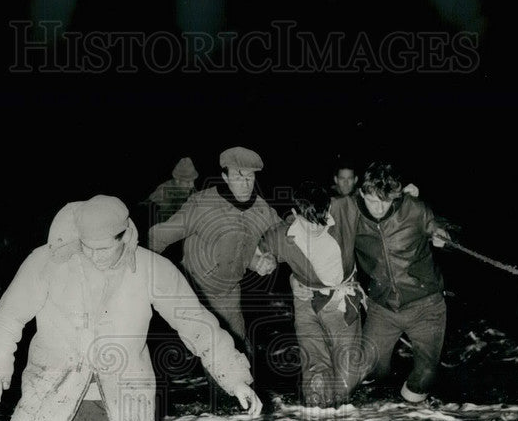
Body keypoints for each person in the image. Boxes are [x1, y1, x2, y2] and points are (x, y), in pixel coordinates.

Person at [0, 195, 262, 421]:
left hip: (118, 400)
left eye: (103, 248)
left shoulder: (152, 269)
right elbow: (6, 318)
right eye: (87, 247)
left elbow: (197, 324)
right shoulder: (46, 262)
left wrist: (236, 379)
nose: (94, 256)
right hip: (51, 393)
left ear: (124, 235)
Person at [330, 161, 454, 404]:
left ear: (395, 196)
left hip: (425, 305)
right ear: (361, 193)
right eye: (372, 201)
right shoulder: (349, 211)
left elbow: (442, 228)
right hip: (382, 307)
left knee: (426, 375)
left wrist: (444, 237)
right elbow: (312, 216)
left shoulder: (414, 209)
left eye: (385, 201)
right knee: (371, 369)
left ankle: (410, 420)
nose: (378, 208)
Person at [147, 146, 281, 351]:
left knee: (239, 350)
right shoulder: (202, 204)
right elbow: (159, 236)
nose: (245, 184)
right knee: (215, 353)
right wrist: (143, 274)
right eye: (238, 177)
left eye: (250, 178)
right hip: (195, 290)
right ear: (225, 178)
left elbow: (284, 236)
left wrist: (269, 257)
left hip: (228, 292)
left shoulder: (261, 209)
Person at [254, 182, 363, 407]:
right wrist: (264, 261)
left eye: (321, 219)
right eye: (308, 222)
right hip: (305, 301)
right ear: (295, 213)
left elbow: (378, 201)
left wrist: (406, 196)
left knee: (346, 376)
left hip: (340, 301)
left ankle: (342, 418)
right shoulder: (282, 234)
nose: (316, 227)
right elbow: (254, 251)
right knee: (315, 369)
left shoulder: (345, 208)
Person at [143, 156, 199, 221]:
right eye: (188, 182)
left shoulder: (187, 189)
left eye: (193, 181)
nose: (192, 185)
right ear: (177, 180)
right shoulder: (164, 193)